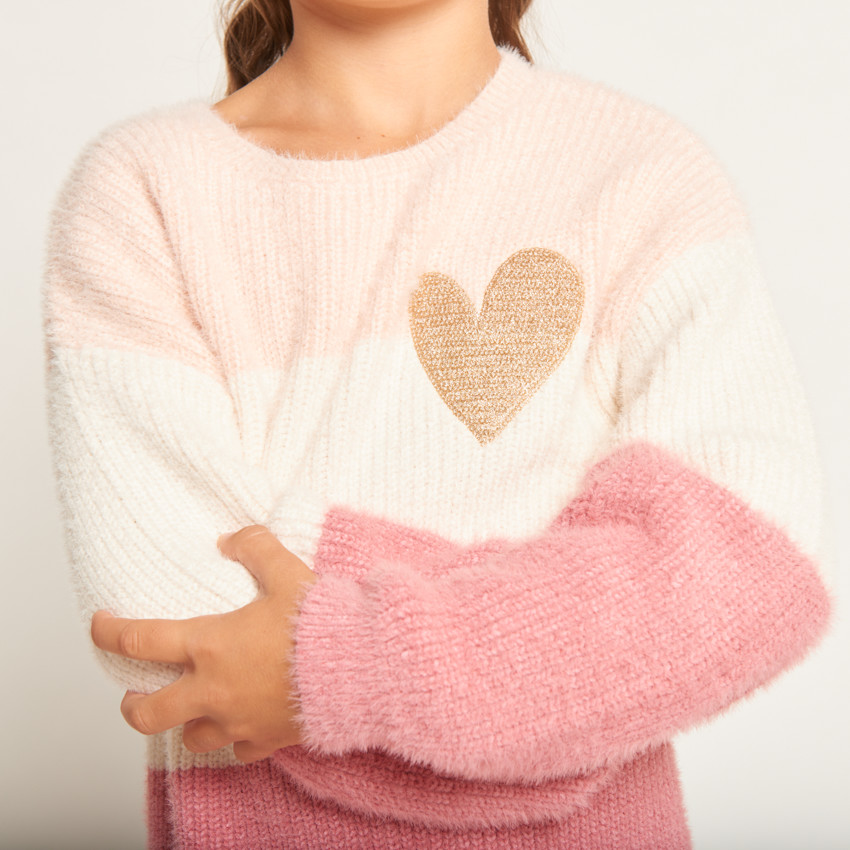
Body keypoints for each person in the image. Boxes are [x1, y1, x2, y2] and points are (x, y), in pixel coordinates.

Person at [40, 0, 836, 847]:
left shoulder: (640, 176)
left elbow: (751, 572)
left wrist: (341, 663)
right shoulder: (144, 192)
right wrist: (566, 670)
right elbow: (178, 642)